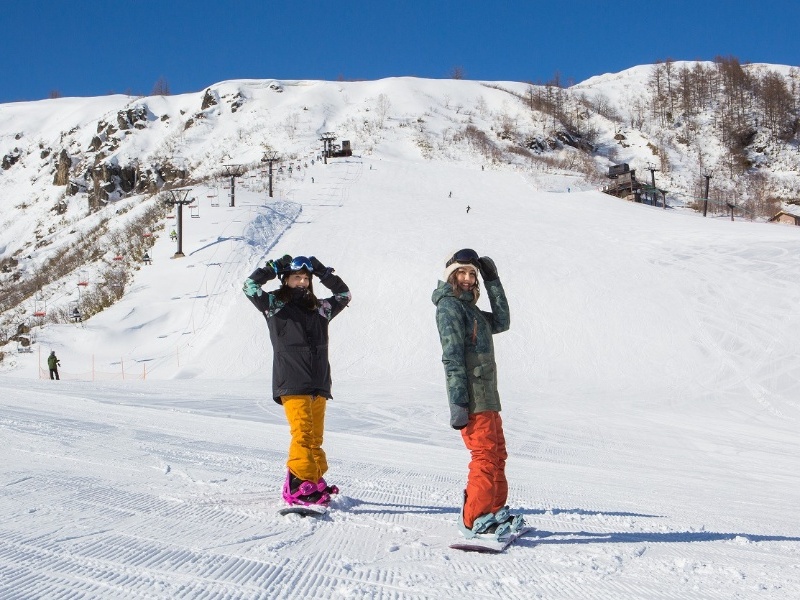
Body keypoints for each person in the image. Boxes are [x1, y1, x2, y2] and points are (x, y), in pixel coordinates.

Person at [243, 255, 351, 506]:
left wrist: (325, 273)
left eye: (305, 278)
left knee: (315, 438)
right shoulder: (275, 305)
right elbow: (249, 286)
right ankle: (296, 486)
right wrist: (271, 269)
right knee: (302, 434)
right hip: (292, 380)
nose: (302, 282)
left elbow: (344, 294)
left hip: (319, 382)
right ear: (286, 280)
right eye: (296, 277)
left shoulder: (321, 309)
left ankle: (311, 479)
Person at [432, 248, 524, 540]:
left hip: (488, 396)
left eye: (473, 274)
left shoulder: (470, 310)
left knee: (497, 455)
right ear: (451, 275)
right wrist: (458, 401)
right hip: (472, 397)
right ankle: (474, 519)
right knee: (484, 456)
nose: (469, 278)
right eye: (463, 272)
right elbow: (452, 356)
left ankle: (493, 512)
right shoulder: (449, 307)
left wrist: (493, 280)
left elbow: (502, 321)